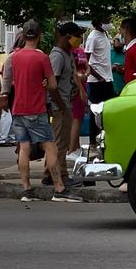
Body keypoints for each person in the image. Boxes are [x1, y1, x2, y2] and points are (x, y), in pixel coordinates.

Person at [8, 21, 82, 203]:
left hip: (18, 109)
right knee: (50, 146)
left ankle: (26, 189)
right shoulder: (43, 58)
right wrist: (45, 85)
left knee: (24, 148)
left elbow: (9, 80)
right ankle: (59, 187)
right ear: (40, 36)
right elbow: (53, 85)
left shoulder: (14, 57)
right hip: (36, 109)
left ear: (23, 36)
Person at [47, 22, 83, 174]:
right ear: (68, 36)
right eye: (78, 36)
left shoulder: (67, 54)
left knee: (61, 142)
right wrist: (60, 105)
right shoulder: (57, 56)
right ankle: (60, 174)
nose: (79, 39)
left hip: (65, 103)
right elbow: (52, 84)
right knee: (60, 144)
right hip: (59, 106)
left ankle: (50, 174)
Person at [0, 32, 26, 145]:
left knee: (10, 114)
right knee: (10, 114)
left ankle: (9, 136)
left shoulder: (11, 55)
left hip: (11, 88)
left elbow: (4, 74)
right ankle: (5, 137)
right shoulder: (16, 56)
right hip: (15, 88)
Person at [84, 16, 115, 107]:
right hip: (97, 81)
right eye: (106, 21)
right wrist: (99, 77)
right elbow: (86, 62)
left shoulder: (105, 34)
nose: (109, 23)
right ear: (99, 23)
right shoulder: (92, 37)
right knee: (97, 111)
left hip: (107, 78)